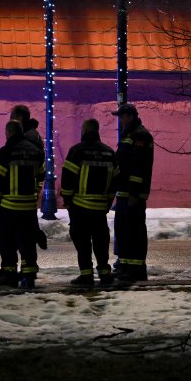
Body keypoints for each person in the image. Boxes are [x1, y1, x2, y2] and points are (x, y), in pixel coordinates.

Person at [0, 120, 45, 288]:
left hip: (9, 205)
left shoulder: (5, 152)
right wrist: (34, 193)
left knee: (6, 238)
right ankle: (29, 274)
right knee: (27, 239)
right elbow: (40, 175)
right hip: (28, 206)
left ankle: (10, 273)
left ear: (9, 133)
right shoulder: (36, 151)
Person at [61, 119, 117, 288]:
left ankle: (86, 274)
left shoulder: (77, 151)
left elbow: (68, 178)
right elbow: (116, 179)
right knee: (101, 240)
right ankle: (104, 273)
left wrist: (67, 199)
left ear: (84, 130)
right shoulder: (109, 152)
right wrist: (108, 200)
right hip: (100, 207)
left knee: (82, 241)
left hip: (80, 206)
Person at [111, 103, 154, 282]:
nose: (120, 120)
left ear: (130, 116)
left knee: (133, 231)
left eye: (122, 116)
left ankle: (135, 269)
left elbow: (138, 168)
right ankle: (125, 265)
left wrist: (134, 194)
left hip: (132, 194)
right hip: (125, 193)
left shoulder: (139, 135)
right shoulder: (130, 134)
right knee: (123, 230)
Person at [9, 104, 48, 250]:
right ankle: (35, 234)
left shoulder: (28, 136)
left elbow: (32, 162)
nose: (10, 119)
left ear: (19, 117)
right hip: (28, 185)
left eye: (12, 116)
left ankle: (35, 235)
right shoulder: (31, 134)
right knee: (26, 220)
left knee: (23, 223)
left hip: (25, 186)